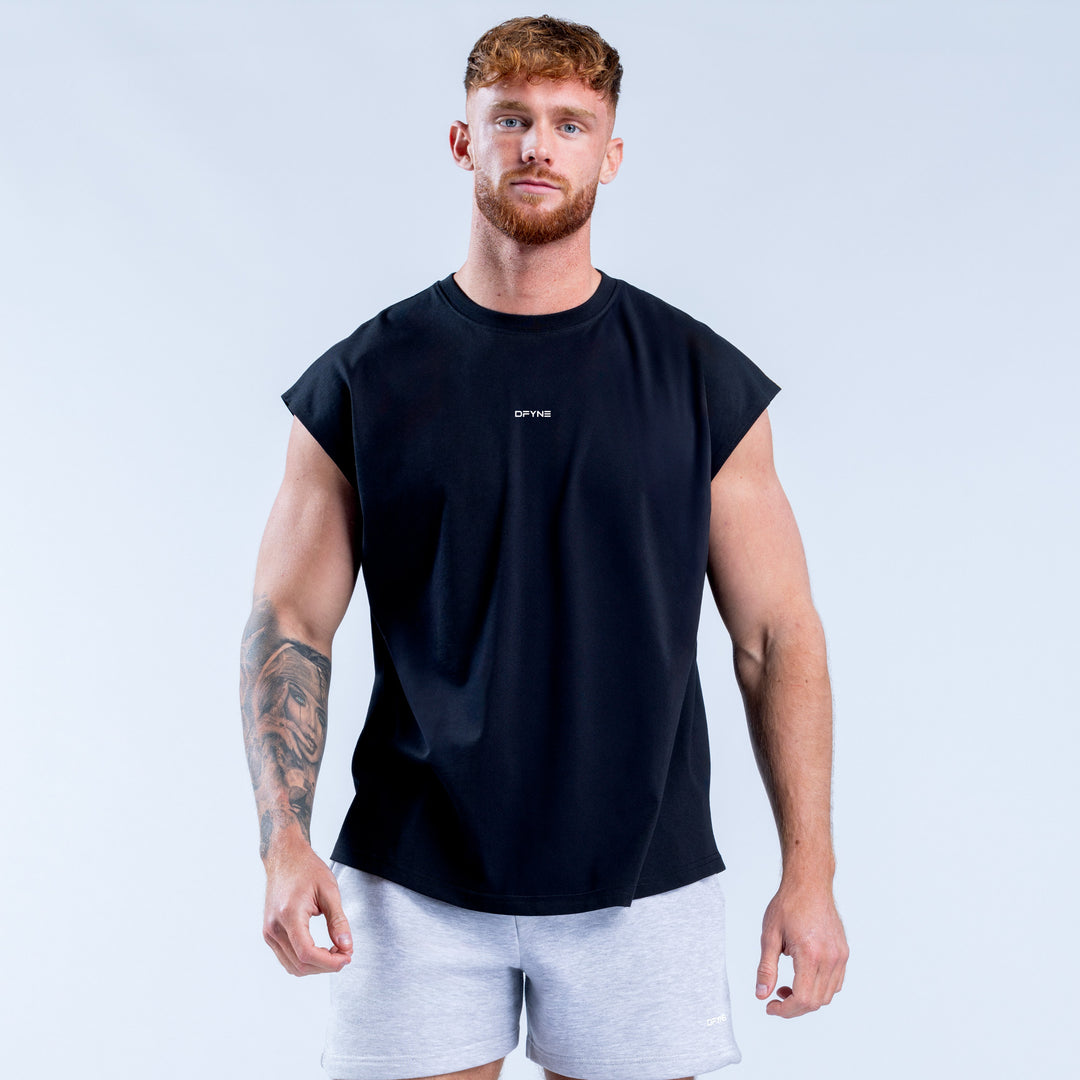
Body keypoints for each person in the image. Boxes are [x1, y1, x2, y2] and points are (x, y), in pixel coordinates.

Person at [239, 14, 848, 1080]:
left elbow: (774, 636)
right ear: (463, 141)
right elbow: (290, 622)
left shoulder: (699, 380)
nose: (538, 146)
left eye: (571, 124)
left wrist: (812, 873)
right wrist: (282, 844)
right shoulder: (363, 380)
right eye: (511, 118)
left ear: (610, 155)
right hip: (413, 877)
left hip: (644, 876)